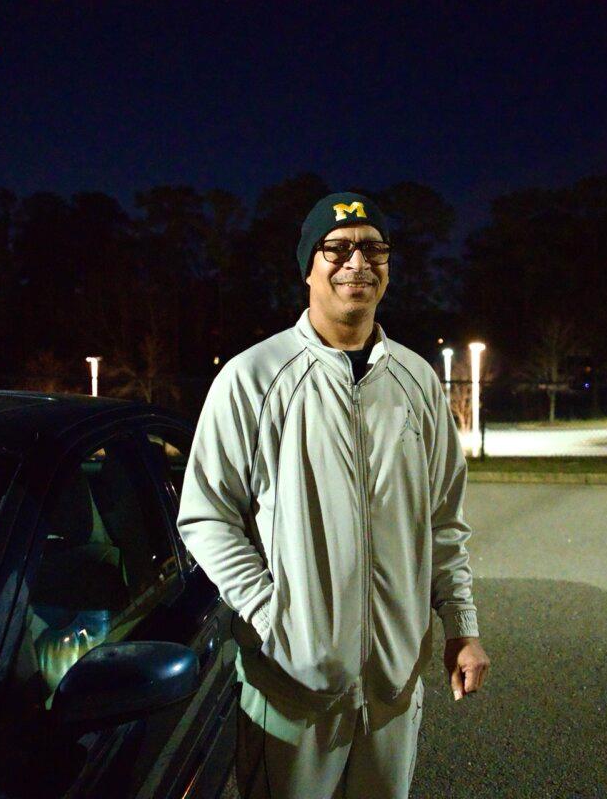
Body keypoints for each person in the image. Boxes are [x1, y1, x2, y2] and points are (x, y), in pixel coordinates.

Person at [177, 191, 490, 798]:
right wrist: (275, 619)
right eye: (338, 249)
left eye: (374, 249)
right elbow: (207, 517)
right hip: (290, 691)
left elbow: (443, 521)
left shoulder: (418, 382)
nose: (358, 263)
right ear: (308, 267)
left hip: (394, 691)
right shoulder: (253, 378)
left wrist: (461, 624)